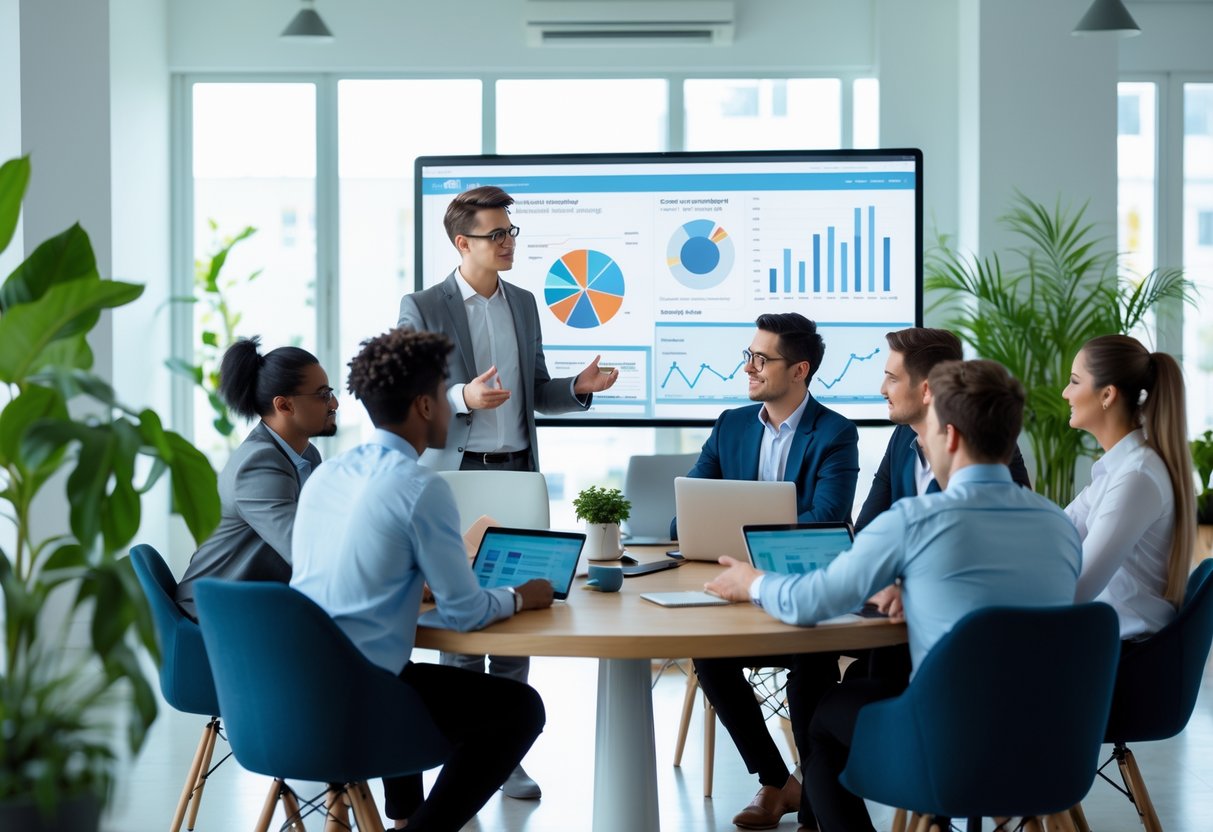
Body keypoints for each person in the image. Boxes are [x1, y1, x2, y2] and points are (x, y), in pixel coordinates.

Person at [707, 359, 1083, 832]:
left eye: (926, 427)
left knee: (824, 723)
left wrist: (753, 582)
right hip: (1052, 746)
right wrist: (920, 585)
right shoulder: (1059, 526)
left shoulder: (917, 521)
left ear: (950, 437)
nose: (918, 439)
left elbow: (813, 600)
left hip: (949, 748)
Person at [396, 184, 617, 798]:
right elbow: (408, 399)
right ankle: (461, 749)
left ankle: (507, 752)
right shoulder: (422, 306)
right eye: (496, 234)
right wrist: (461, 398)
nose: (508, 242)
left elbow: (538, 390)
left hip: (518, 468)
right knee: (461, 610)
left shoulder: (522, 303)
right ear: (462, 242)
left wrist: (577, 386)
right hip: (458, 472)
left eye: (511, 232)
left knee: (521, 613)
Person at [290, 328, 553, 831]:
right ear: (425, 406)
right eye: (443, 394)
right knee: (520, 709)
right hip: (360, 698)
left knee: (407, 672)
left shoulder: (326, 474)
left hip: (296, 687)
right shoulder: (417, 486)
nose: (453, 407)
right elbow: (465, 613)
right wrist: (520, 595)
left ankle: (405, 816)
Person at [675, 312, 859, 830]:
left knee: (811, 666)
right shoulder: (732, 424)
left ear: (799, 370)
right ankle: (777, 782)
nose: (749, 368)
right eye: (748, 356)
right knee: (710, 657)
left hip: (802, 598)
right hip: (739, 599)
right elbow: (686, 508)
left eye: (762, 359)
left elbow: (826, 518)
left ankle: (815, 798)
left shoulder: (835, 433)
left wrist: (742, 539)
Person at [175, 337, 338, 620]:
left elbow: (325, 534)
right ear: (284, 406)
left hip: (254, 615)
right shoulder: (259, 463)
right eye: (322, 394)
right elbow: (306, 551)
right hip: (211, 624)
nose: (334, 403)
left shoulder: (307, 456)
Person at [1063, 334, 1196, 639]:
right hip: (1112, 649)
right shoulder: (1119, 468)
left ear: (1107, 395)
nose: (1065, 393)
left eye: (1074, 381)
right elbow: (1059, 529)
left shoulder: (1137, 476)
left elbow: (1076, 589)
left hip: (1129, 660)